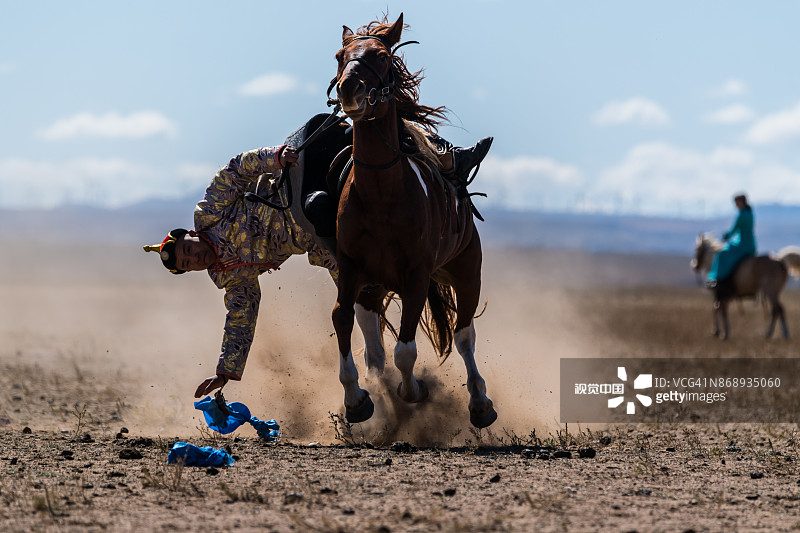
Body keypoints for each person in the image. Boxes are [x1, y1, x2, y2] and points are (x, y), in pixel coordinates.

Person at [144, 129, 493, 399]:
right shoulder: (229, 277)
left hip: (290, 191)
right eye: (189, 265)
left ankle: (449, 158)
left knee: (372, 128)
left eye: (188, 251)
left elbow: (235, 171)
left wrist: (275, 157)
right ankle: (376, 373)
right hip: (315, 243)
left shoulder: (209, 213)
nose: (194, 259)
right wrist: (225, 371)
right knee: (357, 297)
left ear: (190, 234)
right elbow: (241, 316)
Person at [706, 193, 756, 289]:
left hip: (743, 244)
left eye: (737, 202)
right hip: (751, 243)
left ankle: (718, 280)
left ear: (741, 202)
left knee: (722, 254)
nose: (736, 205)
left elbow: (735, 230)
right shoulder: (750, 213)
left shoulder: (742, 214)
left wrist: (726, 236)